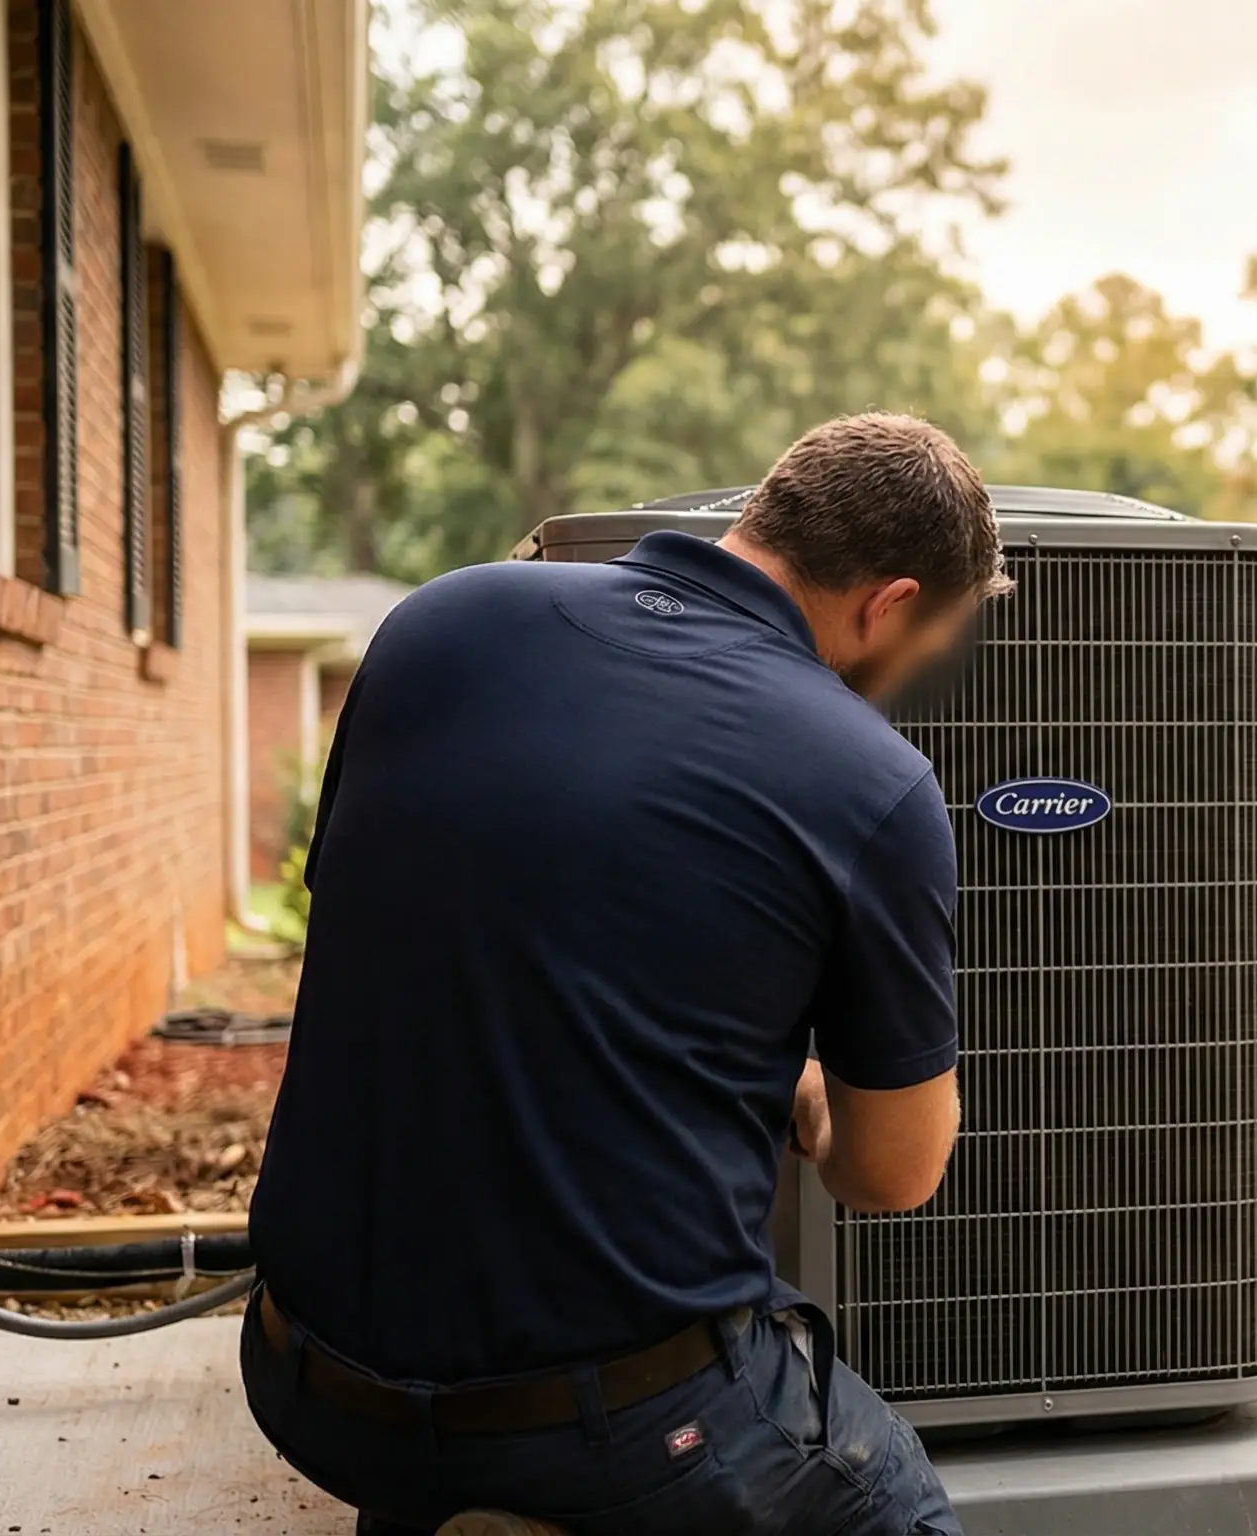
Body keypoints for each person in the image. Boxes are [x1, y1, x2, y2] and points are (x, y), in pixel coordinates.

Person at [242, 413, 1005, 1536]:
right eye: (927, 643)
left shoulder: (437, 622)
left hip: (306, 1375)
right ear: (888, 603)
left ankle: (438, 1500)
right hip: (619, 1428)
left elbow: (427, 938)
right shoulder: (871, 779)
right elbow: (889, 1175)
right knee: (894, 1498)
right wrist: (820, 1106)